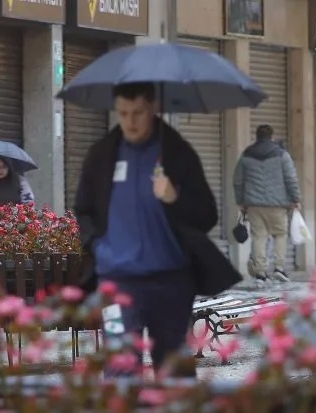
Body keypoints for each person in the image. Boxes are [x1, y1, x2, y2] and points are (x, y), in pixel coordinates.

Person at [73, 82, 240, 374]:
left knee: (173, 363)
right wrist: (97, 246)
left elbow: (206, 215)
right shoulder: (102, 156)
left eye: (137, 112)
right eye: (123, 113)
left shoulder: (177, 154)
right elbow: (84, 211)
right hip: (115, 281)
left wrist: (175, 198)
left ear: (153, 108)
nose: (130, 122)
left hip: (171, 281)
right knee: (119, 360)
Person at [233, 124, 302, 283]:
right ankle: (279, 268)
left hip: (254, 205)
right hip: (277, 205)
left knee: (259, 237)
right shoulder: (282, 155)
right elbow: (291, 179)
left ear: (257, 137)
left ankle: (260, 272)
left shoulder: (246, 155)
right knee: (280, 234)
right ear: (272, 137)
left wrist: (240, 201)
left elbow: (238, 181)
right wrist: (296, 199)